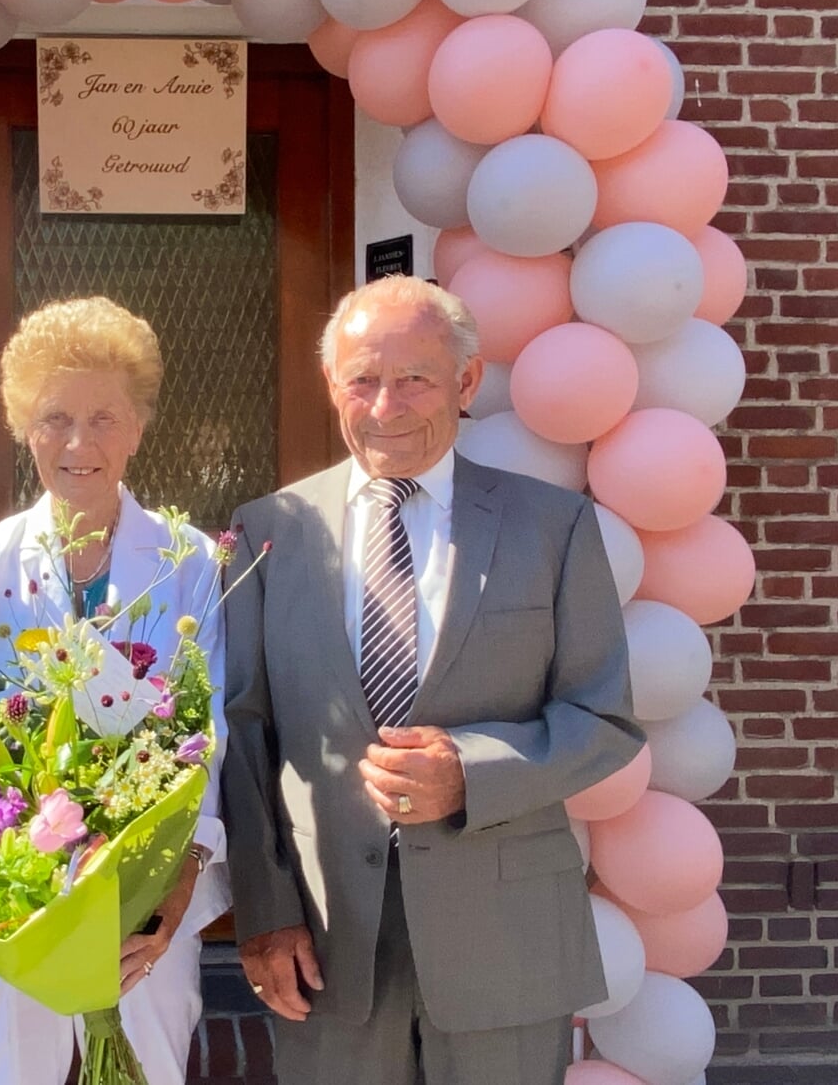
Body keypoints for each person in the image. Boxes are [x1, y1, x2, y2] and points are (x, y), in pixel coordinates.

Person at [220, 276, 641, 1085]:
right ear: (332, 386)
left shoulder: (553, 528)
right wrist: (265, 916)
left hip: (505, 941)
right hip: (324, 944)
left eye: (414, 377)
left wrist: (470, 772)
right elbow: (244, 733)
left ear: (467, 381)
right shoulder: (268, 531)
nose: (387, 406)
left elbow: (604, 720)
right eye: (362, 380)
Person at [0, 297, 230, 1085]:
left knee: (149, 1072)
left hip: (146, 899)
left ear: (138, 427)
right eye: (55, 417)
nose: (78, 443)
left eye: (105, 418)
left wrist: (182, 869)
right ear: (23, 427)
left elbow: (212, 729)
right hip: (6, 896)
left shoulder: (190, 561)